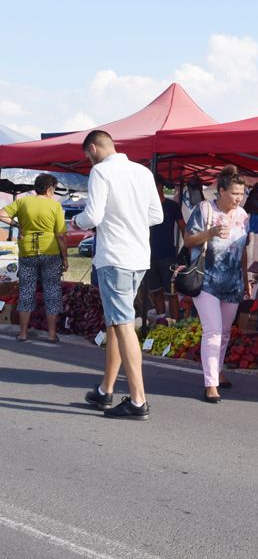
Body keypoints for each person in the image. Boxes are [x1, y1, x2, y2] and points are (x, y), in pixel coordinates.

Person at [76, 130, 163, 420]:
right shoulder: (142, 172)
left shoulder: (101, 172)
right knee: (116, 322)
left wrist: (75, 221)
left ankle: (138, 401)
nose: (89, 161)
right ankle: (106, 390)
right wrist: (130, 219)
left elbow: (92, 216)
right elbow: (157, 216)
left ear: (93, 149)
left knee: (123, 325)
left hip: (115, 256)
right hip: (138, 256)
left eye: (88, 156)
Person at [184, 165, 250, 403]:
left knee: (224, 333)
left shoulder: (243, 215)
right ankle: (210, 384)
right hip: (207, 280)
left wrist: (245, 278)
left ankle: (218, 370)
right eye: (234, 193)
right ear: (221, 191)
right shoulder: (205, 209)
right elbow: (188, 239)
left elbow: (243, 250)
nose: (238, 198)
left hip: (232, 282)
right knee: (213, 331)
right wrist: (210, 232)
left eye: (241, 194)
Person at [0, 173, 68, 342]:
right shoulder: (55, 206)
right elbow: (60, 235)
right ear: (49, 189)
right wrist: (65, 258)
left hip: (27, 253)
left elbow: (1, 214)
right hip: (50, 254)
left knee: (26, 291)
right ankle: (51, 335)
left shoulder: (23, 202)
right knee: (52, 292)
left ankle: (23, 333)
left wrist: (18, 225)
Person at [145, 178, 186, 321]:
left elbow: (183, 227)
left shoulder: (172, 206)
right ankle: (162, 321)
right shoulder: (145, 207)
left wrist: (188, 248)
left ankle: (174, 323)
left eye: (155, 185)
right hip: (149, 256)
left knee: (172, 293)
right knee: (156, 291)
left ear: (161, 186)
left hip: (168, 256)